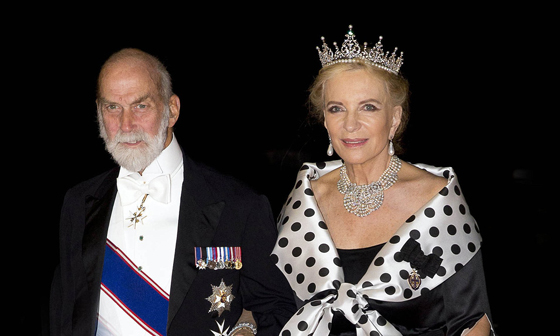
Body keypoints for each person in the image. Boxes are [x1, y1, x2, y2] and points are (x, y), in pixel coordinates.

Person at [49, 48, 295, 336]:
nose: (126, 125)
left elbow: (278, 308)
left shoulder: (239, 206)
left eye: (140, 106)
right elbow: (63, 314)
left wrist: (245, 328)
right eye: (112, 107)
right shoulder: (78, 203)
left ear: (172, 110)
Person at [271, 26, 493, 335]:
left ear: (395, 118)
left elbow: (473, 322)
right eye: (337, 108)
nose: (350, 124)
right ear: (325, 119)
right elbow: (275, 303)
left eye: (368, 107)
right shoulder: (306, 195)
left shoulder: (438, 197)